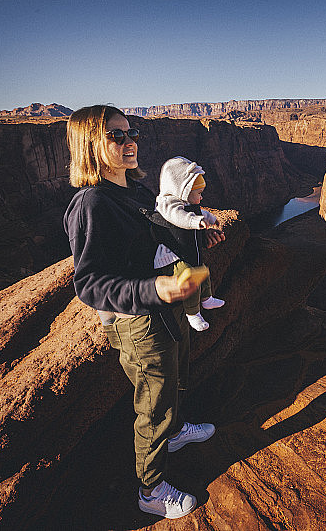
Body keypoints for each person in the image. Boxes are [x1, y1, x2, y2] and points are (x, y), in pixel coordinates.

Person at [62, 105, 222, 519]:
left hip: (163, 309)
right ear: (90, 144)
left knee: (175, 378)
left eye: (130, 133)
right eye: (115, 136)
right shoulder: (92, 203)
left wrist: (197, 235)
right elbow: (90, 284)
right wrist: (156, 287)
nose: (129, 142)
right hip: (137, 321)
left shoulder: (133, 192)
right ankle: (151, 490)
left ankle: (174, 432)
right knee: (153, 403)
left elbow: (154, 241)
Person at [154, 156, 226, 331]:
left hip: (186, 250)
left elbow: (200, 211)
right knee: (190, 277)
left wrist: (211, 218)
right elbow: (178, 217)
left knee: (203, 271)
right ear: (182, 189)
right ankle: (193, 313)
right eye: (199, 194)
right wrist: (195, 222)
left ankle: (207, 299)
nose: (201, 198)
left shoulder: (186, 202)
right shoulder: (167, 204)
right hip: (172, 256)